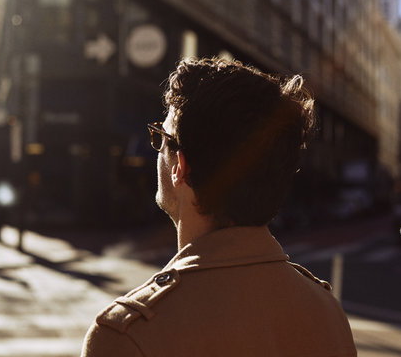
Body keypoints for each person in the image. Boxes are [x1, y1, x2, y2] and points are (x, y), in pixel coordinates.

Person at [82, 57, 357, 356]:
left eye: (162, 136)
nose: (158, 150)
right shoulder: (326, 312)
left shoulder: (126, 336)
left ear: (180, 168)